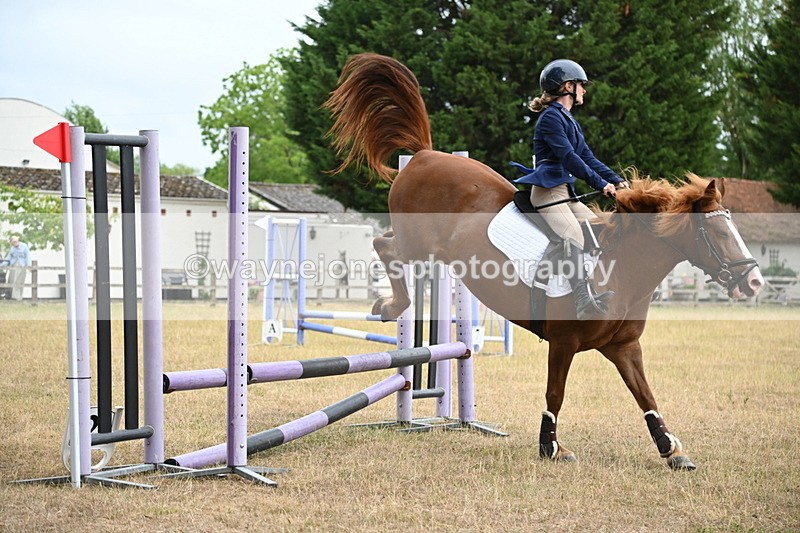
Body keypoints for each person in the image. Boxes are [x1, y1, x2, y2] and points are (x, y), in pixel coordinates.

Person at [513, 59, 628, 320]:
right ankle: (582, 301)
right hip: (548, 194)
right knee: (574, 235)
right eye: (581, 85)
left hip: (566, 195)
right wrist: (601, 185)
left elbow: (587, 157)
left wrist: (617, 180)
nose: (584, 90)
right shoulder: (550, 119)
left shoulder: (569, 120)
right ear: (568, 87)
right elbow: (569, 159)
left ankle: (611, 287)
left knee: (604, 228)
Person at [3, 236, 31, 301]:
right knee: (11, 281)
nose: (16, 243)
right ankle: (9, 296)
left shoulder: (24, 246)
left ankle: (17, 297)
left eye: (16, 241)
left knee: (19, 282)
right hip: (13, 266)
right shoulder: (12, 249)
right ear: (11, 243)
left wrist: (29, 266)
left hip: (21, 266)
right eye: (14, 242)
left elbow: (28, 257)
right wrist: (1, 264)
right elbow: (8, 258)